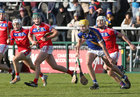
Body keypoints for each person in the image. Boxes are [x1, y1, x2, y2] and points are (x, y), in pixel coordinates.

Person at [24, 13, 77, 87]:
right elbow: (29, 35)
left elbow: (56, 32)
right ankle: (72, 73)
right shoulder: (32, 27)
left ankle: (35, 82)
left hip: (47, 46)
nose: (37, 20)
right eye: (35, 19)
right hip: (42, 47)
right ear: (33, 20)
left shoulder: (46, 26)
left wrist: (47, 38)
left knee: (37, 62)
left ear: (40, 19)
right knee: (54, 66)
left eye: (38, 18)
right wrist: (32, 41)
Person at [75, 19, 131, 90]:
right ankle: (95, 83)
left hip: (101, 50)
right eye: (80, 26)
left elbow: (103, 46)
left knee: (110, 66)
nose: (81, 28)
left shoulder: (95, 33)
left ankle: (124, 77)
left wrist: (108, 57)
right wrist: (77, 51)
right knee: (88, 63)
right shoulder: (80, 33)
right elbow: (79, 42)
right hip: (92, 50)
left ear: (88, 26)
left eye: (83, 26)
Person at [95, 16, 136, 89]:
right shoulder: (96, 31)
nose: (100, 22)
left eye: (101, 21)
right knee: (110, 72)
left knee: (106, 66)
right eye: (98, 21)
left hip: (113, 51)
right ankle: (123, 84)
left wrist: (130, 44)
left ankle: (120, 70)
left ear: (105, 22)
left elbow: (122, 35)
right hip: (105, 53)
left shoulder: (110, 30)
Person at [8, 19, 47, 86]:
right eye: (14, 25)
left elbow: (30, 37)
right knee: (31, 67)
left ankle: (17, 77)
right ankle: (43, 76)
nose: (16, 26)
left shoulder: (25, 31)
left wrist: (33, 42)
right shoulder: (12, 32)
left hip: (27, 51)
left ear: (20, 24)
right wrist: (9, 41)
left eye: (17, 24)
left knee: (14, 59)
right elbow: (11, 44)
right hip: (21, 52)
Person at [0, 9, 13, 77]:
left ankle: (11, 71)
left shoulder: (8, 23)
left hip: (3, 44)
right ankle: (12, 71)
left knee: (5, 58)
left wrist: (10, 38)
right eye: (0, 14)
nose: (1, 16)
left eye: (2, 14)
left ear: (5, 15)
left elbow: (14, 32)